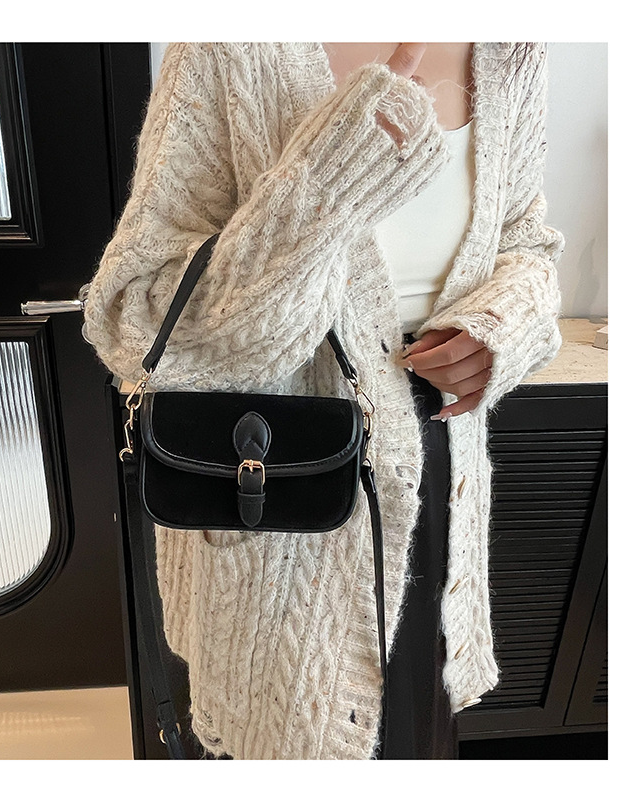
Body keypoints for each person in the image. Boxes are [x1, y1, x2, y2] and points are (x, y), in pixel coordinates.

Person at [82, 42, 564, 760]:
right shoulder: (229, 45)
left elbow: (526, 241)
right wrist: (333, 175)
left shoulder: (513, 48)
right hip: (276, 484)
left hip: (439, 473)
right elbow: (137, 318)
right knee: (293, 732)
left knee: (415, 735)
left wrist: (507, 326)